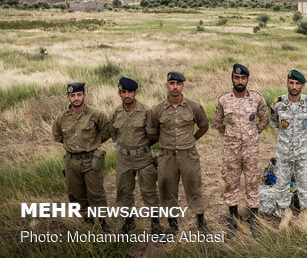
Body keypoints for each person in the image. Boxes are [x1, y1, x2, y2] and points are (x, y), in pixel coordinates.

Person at [147, 71, 209, 234]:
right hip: (167, 158)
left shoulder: (193, 107)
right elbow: (151, 132)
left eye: (178, 84)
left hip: (188, 156)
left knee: (194, 187)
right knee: (167, 189)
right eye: (172, 83)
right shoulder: (157, 110)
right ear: (167, 85)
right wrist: (165, 143)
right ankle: (173, 225)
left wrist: (191, 139)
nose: (175, 87)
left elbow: (204, 125)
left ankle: (201, 223)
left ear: (183, 86)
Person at [213, 63, 269, 235]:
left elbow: (264, 119)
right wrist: (231, 137)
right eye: (236, 78)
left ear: (247, 80)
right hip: (231, 150)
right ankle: (234, 219)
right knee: (231, 183)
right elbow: (217, 123)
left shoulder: (257, 98)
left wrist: (253, 133)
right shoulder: (223, 100)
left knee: (252, 183)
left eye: (243, 78)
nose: (239, 81)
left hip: (251, 149)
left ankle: (253, 219)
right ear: (232, 78)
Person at [52, 82, 111, 231]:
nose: (76, 98)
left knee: (96, 193)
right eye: (73, 95)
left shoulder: (97, 115)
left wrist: (93, 144)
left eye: (79, 95)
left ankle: (103, 222)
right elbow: (58, 137)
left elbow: (107, 132)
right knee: (75, 193)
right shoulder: (61, 118)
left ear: (84, 95)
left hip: (91, 160)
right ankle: (87, 220)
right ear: (68, 97)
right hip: (71, 161)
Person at [111, 77, 161, 234]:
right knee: (124, 191)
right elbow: (114, 135)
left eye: (130, 92)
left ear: (136, 93)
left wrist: (143, 148)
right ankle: (128, 222)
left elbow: (154, 135)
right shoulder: (115, 113)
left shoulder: (146, 112)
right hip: (123, 158)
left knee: (149, 191)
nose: (127, 95)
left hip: (143, 157)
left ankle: (155, 225)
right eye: (123, 92)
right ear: (119, 93)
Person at [270, 69, 307, 230]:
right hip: (284, 152)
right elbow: (276, 123)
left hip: (303, 152)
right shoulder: (277, 103)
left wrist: (299, 135)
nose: (294, 86)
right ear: (287, 83)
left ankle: (305, 214)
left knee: (305, 183)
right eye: (291, 82)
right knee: (282, 183)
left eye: (297, 83)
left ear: (302, 85)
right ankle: (285, 211)